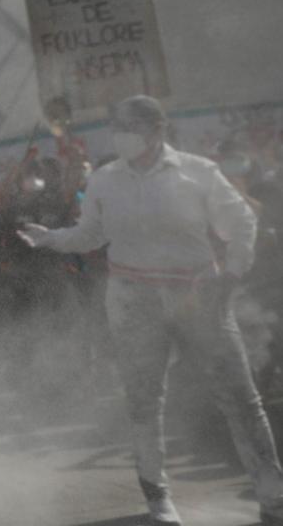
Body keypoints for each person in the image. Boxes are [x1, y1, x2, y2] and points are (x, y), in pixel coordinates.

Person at [20, 95, 283, 526]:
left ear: (157, 130)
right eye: (116, 126)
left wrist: (232, 276)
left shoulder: (198, 174)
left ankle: (273, 496)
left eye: (129, 126)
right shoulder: (105, 180)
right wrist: (50, 238)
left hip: (198, 297)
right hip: (132, 300)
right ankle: (158, 497)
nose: (119, 134)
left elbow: (242, 225)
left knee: (241, 399)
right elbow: (91, 234)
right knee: (144, 402)